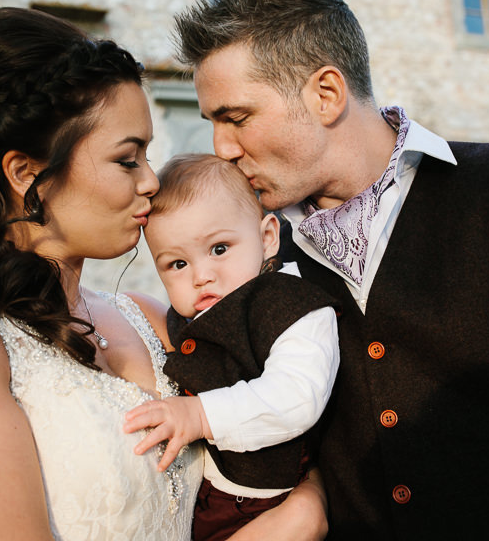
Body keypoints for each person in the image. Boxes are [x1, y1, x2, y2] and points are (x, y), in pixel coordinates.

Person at [170, 0, 489, 539]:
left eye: (235, 117)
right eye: (211, 122)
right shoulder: (248, 258)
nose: (221, 148)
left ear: (326, 94)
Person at [0, 7, 328, 541]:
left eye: (148, 157)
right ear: (26, 173)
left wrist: (312, 494)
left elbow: (281, 442)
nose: (152, 181)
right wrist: (293, 525)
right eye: (127, 159)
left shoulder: (155, 317)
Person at [123, 154, 340, 541]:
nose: (202, 276)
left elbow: (295, 397)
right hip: (205, 500)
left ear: (267, 237)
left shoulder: (295, 309)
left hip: (267, 503)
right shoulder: (182, 320)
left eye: (219, 249)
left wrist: (200, 415)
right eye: (176, 264)